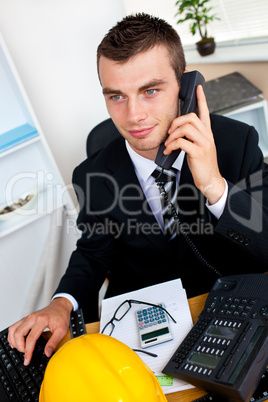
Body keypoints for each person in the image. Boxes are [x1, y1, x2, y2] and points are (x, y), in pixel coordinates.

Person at [8, 13, 268, 365]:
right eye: (116, 96)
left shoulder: (236, 143)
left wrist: (214, 185)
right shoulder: (92, 174)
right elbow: (92, 253)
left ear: (185, 86)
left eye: (150, 91)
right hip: (143, 324)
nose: (133, 116)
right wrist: (61, 303)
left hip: (227, 309)